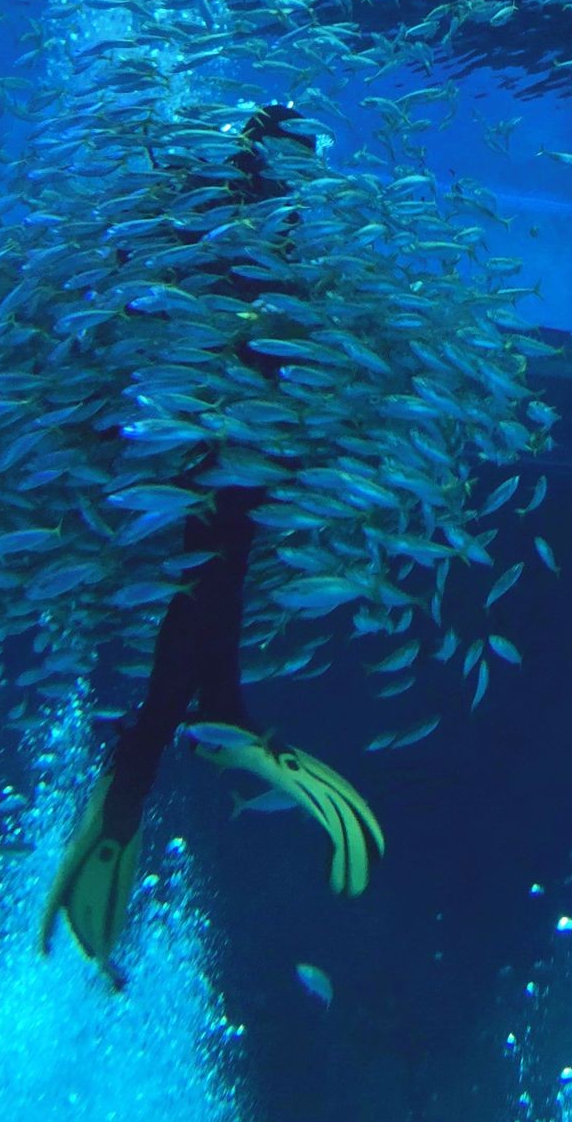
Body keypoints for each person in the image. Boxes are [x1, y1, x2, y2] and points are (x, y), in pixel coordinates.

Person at [42, 106, 385, 990]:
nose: (303, 175)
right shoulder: (242, 213)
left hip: (236, 430)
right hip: (219, 429)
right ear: (273, 154)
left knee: (219, 572)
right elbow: (209, 305)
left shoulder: (253, 216)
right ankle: (158, 749)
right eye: (298, 157)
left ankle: (196, 721)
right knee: (212, 575)